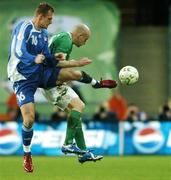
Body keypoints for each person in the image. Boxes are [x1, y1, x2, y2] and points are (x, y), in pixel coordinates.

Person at [7, 3, 116, 172]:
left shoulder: (44, 34)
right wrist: (34, 58)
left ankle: (81, 150)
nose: (51, 22)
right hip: (22, 78)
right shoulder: (24, 27)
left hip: (40, 73)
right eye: (49, 19)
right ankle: (27, 155)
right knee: (29, 120)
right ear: (40, 16)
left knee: (77, 103)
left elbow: (49, 59)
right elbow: (18, 51)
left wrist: (53, 58)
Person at [42, 23, 117, 160]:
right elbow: (57, 63)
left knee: (77, 110)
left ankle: (83, 152)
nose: (85, 43)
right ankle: (68, 144)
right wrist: (77, 63)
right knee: (76, 74)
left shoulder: (62, 37)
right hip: (48, 79)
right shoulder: (66, 40)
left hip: (50, 81)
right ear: (80, 35)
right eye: (85, 39)